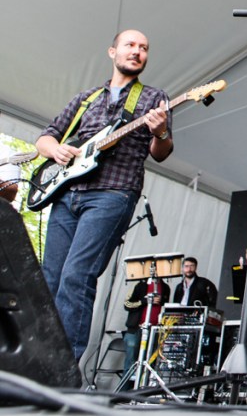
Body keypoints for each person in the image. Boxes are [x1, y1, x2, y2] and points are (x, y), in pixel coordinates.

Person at [37, 30, 172, 361]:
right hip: (67, 194)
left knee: (77, 276)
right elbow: (46, 138)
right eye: (130, 45)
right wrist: (56, 151)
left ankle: (63, 369)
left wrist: (160, 131)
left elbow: (162, 153)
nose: (137, 51)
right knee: (49, 279)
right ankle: (37, 360)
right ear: (113, 52)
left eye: (144, 48)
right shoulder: (87, 98)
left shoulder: (154, 97)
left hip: (113, 192)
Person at [122, 277, 170, 376]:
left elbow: (165, 308)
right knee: (131, 364)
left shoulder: (165, 287)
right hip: (135, 329)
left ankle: (144, 385)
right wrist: (144, 301)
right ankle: (126, 386)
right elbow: (127, 304)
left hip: (155, 331)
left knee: (150, 363)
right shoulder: (140, 284)